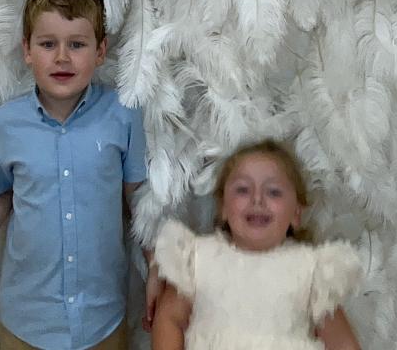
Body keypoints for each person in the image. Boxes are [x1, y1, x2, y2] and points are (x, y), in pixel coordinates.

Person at [0, 0, 160, 350]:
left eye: (77, 44)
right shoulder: (7, 123)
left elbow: (139, 200)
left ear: (100, 51)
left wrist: (157, 266)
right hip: (26, 322)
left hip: (102, 319)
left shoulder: (122, 116)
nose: (62, 57)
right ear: (27, 50)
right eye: (47, 44)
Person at [151, 139, 363, 350]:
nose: (257, 199)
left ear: (296, 213)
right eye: (243, 190)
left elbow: (342, 343)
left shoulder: (312, 270)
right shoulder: (197, 258)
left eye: (274, 192)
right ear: (223, 207)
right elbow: (169, 318)